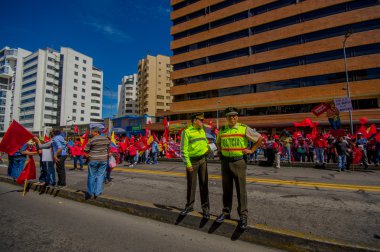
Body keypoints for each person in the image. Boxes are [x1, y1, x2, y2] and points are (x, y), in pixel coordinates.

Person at [216, 107, 263, 229]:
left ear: (237, 117)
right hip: (225, 162)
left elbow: (259, 138)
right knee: (226, 189)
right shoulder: (223, 129)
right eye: (229, 116)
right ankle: (226, 212)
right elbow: (218, 143)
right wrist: (220, 153)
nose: (232, 118)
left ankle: (243, 215)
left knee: (241, 190)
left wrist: (251, 150)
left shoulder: (243, 128)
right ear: (226, 118)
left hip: (239, 162)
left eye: (234, 116)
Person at [179, 112, 211, 219]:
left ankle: (206, 209)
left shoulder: (202, 131)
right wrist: (187, 163)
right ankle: (189, 206)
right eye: (201, 120)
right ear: (195, 120)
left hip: (203, 160)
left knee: (204, 184)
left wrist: (209, 149)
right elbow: (183, 149)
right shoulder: (187, 132)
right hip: (192, 161)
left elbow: (206, 143)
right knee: (191, 185)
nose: (202, 122)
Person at [83, 127, 110, 199]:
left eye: (92, 132)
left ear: (96, 132)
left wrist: (88, 154)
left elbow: (85, 150)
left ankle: (90, 192)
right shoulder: (106, 139)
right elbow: (108, 149)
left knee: (91, 176)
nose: (91, 133)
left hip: (93, 160)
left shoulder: (92, 140)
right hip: (103, 160)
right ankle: (97, 192)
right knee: (100, 176)